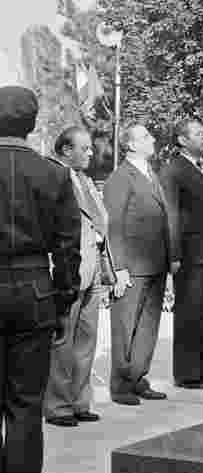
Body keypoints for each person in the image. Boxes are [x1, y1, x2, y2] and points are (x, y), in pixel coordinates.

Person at [0, 85, 80, 473]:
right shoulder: (51, 175)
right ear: (30, 125)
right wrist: (64, 302)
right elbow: (67, 246)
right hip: (32, 291)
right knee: (25, 409)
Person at [103, 123, 176, 403]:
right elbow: (114, 226)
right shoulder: (121, 177)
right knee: (125, 326)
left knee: (147, 326)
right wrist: (118, 268)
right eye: (145, 136)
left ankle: (137, 377)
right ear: (131, 145)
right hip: (132, 266)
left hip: (155, 263)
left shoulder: (150, 174)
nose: (153, 139)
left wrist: (171, 258)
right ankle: (121, 385)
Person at [43, 124, 110, 426]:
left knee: (87, 339)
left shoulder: (85, 180)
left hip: (92, 267)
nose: (91, 153)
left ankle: (80, 401)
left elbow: (101, 223)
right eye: (85, 148)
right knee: (62, 340)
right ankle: (58, 405)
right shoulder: (51, 177)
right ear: (66, 150)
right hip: (67, 269)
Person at [159, 118, 203, 389]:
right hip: (190, 255)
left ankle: (201, 370)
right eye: (198, 134)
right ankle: (186, 373)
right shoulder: (173, 170)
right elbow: (171, 214)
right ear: (182, 139)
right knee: (190, 314)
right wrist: (174, 255)